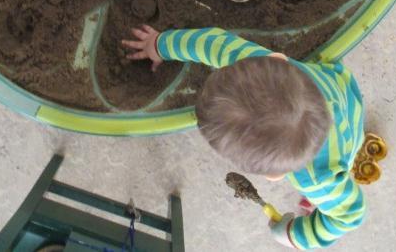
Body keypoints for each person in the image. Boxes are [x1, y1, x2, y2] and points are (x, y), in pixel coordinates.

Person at [123, 25, 366, 249]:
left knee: (335, 183)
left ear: (275, 176)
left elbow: (349, 216)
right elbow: (209, 42)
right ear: (277, 59)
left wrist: (294, 235)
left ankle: (322, 195)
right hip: (340, 85)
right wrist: (159, 44)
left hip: (347, 140)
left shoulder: (318, 179)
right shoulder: (258, 67)